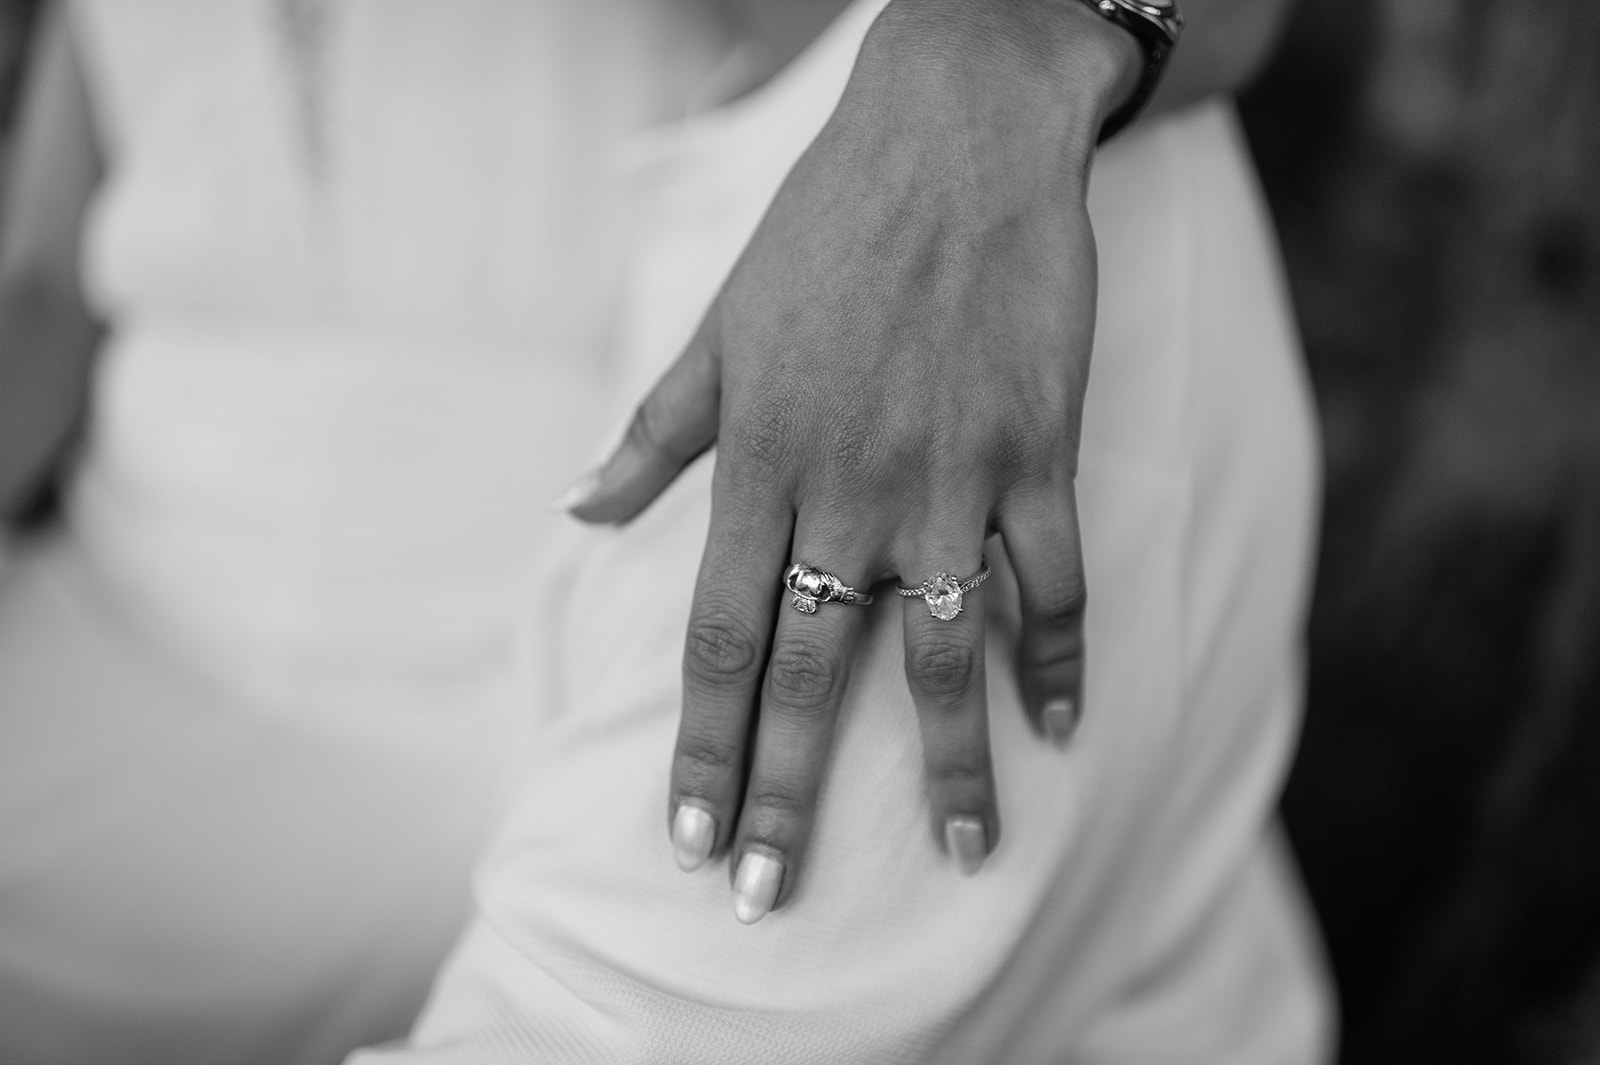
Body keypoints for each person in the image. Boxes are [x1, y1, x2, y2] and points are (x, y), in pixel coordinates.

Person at [0, 0, 1330, 1062]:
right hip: (133, 625)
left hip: (575, 618)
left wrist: (1001, 57)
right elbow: (47, 283)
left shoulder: (995, 188)